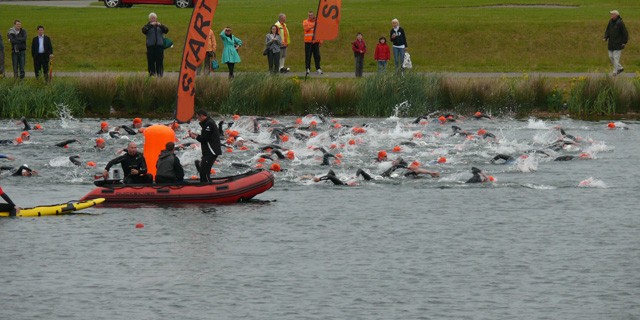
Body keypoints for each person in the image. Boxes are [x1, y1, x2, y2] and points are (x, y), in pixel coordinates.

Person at [188, 110, 222, 182]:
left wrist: (195, 137)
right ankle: (206, 186)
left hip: (211, 151)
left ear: (202, 116)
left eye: (198, 117)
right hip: (209, 151)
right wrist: (197, 135)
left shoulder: (209, 124)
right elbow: (206, 136)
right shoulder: (207, 122)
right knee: (204, 172)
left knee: (204, 172)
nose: (197, 119)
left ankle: (207, 189)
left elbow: (205, 139)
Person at [142, 12, 169, 77]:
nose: (153, 19)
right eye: (151, 18)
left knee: (159, 62)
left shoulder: (160, 26)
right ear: (149, 19)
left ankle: (160, 75)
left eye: (154, 18)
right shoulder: (147, 26)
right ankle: (152, 75)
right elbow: (144, 30)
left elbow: (166, 30)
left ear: (156, 18)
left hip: (159, 47)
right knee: (151, 62)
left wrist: (160, 25)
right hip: (150, 47)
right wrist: (151, 25)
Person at [604, 10, 628, 76]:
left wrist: (624, 42)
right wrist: (606, 37)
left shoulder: (620, 23)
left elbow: (625, 33)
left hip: (618, 44)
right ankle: (620, 68)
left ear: (616, 15)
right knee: (610, 56)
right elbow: (607, 30)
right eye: (611, 14)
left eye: (612, 14)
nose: (611, 15)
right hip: (611, 44)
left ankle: (615, 72)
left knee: (616, 57)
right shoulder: (610, 22)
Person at [303, 10, 322, 75]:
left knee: (317, 56)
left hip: (315, 42)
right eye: (309, 15)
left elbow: (320, 32)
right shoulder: (305, 22)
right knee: (308, 56)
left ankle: (318, 68)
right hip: (308, 42)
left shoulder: (317, 22)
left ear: (313, 15)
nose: (310, 16)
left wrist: (320, 40)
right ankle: (307, 68)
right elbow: (306, 28)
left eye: (311, 15)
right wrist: (314, 24)